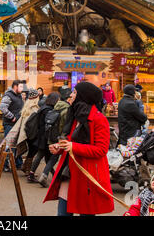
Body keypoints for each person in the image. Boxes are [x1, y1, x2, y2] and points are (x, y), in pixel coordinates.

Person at [44, 82, 114, 216]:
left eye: (75, 92)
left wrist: (73, 146)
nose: (71, 95)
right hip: (69, 173)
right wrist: (60, 147)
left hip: (87, 176)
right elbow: (71, 141)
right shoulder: (75, 116)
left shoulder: (100, 119)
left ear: (83, 96)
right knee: (62, 213)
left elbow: (101, 150)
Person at [37, 91, 72, 188]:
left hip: (50, 136)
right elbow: (66, 126)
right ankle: (48, 175)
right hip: (60, 138)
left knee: (52, 158)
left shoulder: (55, 108)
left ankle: (52, 175)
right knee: (55, 158)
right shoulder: (66, 110)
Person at [2, 89, 40, 175]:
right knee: (33, 150)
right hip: (32, 134)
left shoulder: (26, 107)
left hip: (26, 133)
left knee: (31, 151)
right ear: (36, 97)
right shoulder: (34, 108)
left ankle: (25, 168)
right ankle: (26, 169)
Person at [27, 92, 60, 184]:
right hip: (46, 136)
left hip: (41, 135)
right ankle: (47, 174)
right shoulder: (49, 110)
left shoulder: (43, 108)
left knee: (41, 155)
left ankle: (32, 174)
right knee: (49, 156)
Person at [0, 80, 24, 171]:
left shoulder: (19, 96)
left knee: (17, 144)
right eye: (21, 86)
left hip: (17, 124)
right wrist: (11, 117)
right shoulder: (8, 95)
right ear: (15, 86)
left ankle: (18, 164)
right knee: (8, 145)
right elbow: (2, 107)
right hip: (10, 124)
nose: (22, 89)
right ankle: (4, 165)